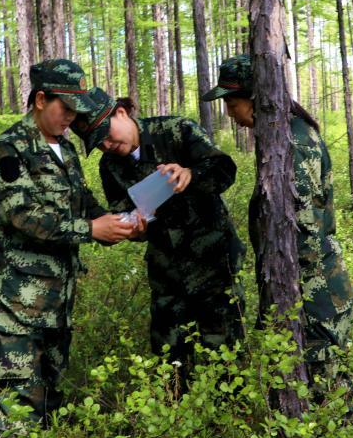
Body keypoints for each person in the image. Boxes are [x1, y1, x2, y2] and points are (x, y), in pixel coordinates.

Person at [0, 59, 144, 438]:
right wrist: (91, 229)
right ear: (40, 99)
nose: (71, 117)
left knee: (50, 409)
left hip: (56, 309)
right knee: (18, 417)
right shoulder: (8, 150)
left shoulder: (66, 151)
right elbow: (22, 216)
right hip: (16, 311)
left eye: (76, 109)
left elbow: (84, 204)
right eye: (65, 107)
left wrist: (120, 223)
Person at [201, 54, 353, 396]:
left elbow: (305, 231)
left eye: (232, 103)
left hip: (315, 294)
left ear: (255, 98)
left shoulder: (292, 144)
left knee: (328, 394)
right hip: (310, 291)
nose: (229, 113)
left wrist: (289, 296)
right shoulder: (285, 136)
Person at [72, 88, 246, 384]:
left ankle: (228, 410)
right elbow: (124, 211)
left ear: (121, 113)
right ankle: (176, 409)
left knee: (225, 353)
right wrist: (134, 230)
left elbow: (223, 170)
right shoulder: (110, 166)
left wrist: (191, 173)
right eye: (97, 143)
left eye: (106, 134)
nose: (107, 145)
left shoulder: (176, 130)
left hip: (213, 262)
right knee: (170, 361)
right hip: (167, 273)